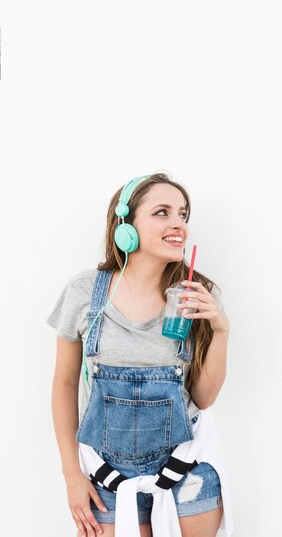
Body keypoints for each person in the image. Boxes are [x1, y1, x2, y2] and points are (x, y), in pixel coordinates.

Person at [47, 172, 233, 537]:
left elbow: (204, 397)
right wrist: (71, 475)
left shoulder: (196, 296)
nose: (179, 223)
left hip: (186, 472)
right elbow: (64, 383)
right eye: (162, 212)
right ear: (125, 228)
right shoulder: (85, 292)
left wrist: (221, 329)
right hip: (105, 478)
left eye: (183, 214)